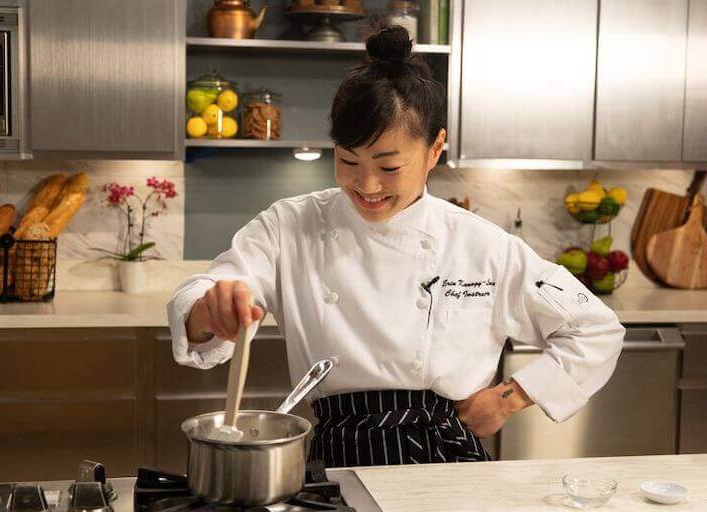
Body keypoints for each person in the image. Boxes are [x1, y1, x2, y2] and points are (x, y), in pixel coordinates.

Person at [168, 23, 625, 468]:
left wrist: (511, 397)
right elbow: (207, 289)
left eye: (389, 168)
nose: (366, 185)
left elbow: (595, 329)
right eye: (348, 161)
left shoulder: (481, 244)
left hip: (444, 457)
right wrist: (212, 308)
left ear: (434, 149)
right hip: (336, 454)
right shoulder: (292, 225)